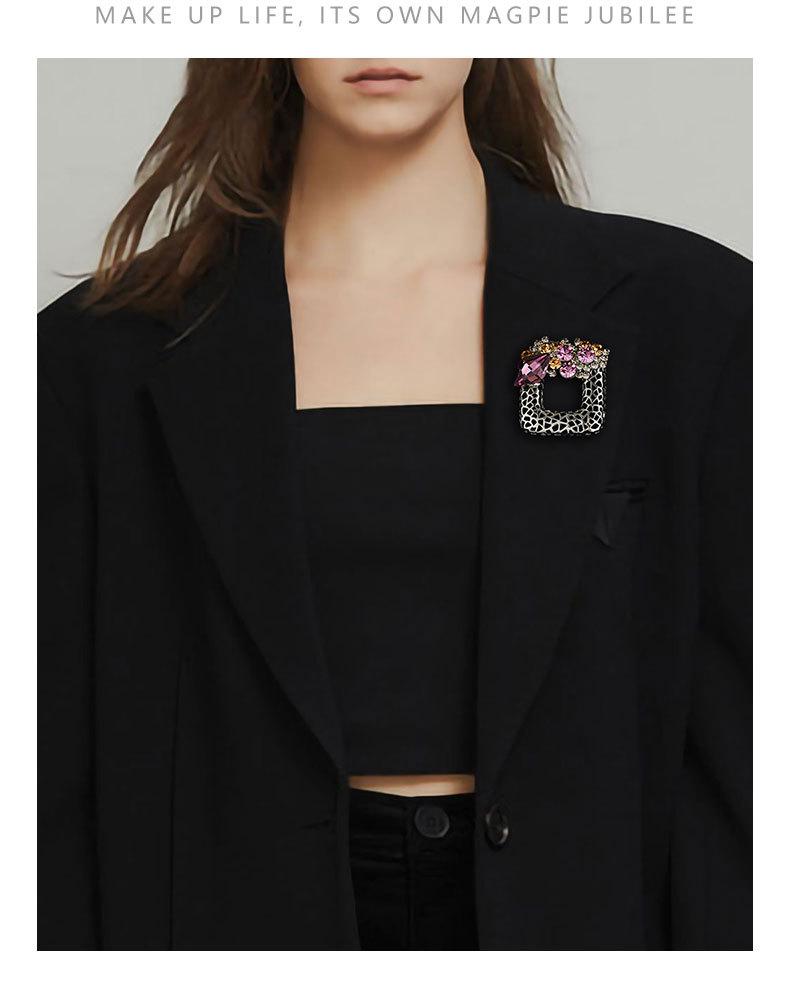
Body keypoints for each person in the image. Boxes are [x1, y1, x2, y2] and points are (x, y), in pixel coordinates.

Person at [38, 58, 752, 950]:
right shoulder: (95, 359)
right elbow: (51, 778)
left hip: (588, 913)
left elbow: (746, 745)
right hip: (232, 918)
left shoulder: (695, 317)